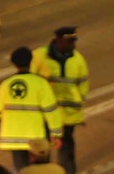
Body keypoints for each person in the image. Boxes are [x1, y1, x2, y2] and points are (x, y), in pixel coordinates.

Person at [0, 46, 63, 171]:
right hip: (36, 138)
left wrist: (10, 118)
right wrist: (56, 134)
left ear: (14, 64)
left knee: (20, 170)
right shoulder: (40, 83)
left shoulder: (6, 84)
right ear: (31, 62)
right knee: (41, 170)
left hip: (14, 137)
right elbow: (51, 111)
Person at [34, 26, 90, 172]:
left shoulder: (78, 60)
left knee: (66, 152)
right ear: (58, 40)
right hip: (45, 113)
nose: (73, 45)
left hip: (67, 115)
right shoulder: (40, 56)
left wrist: (77, 106)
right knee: (42, 150)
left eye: (73, 41)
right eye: (69, 41)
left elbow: (83, 86)